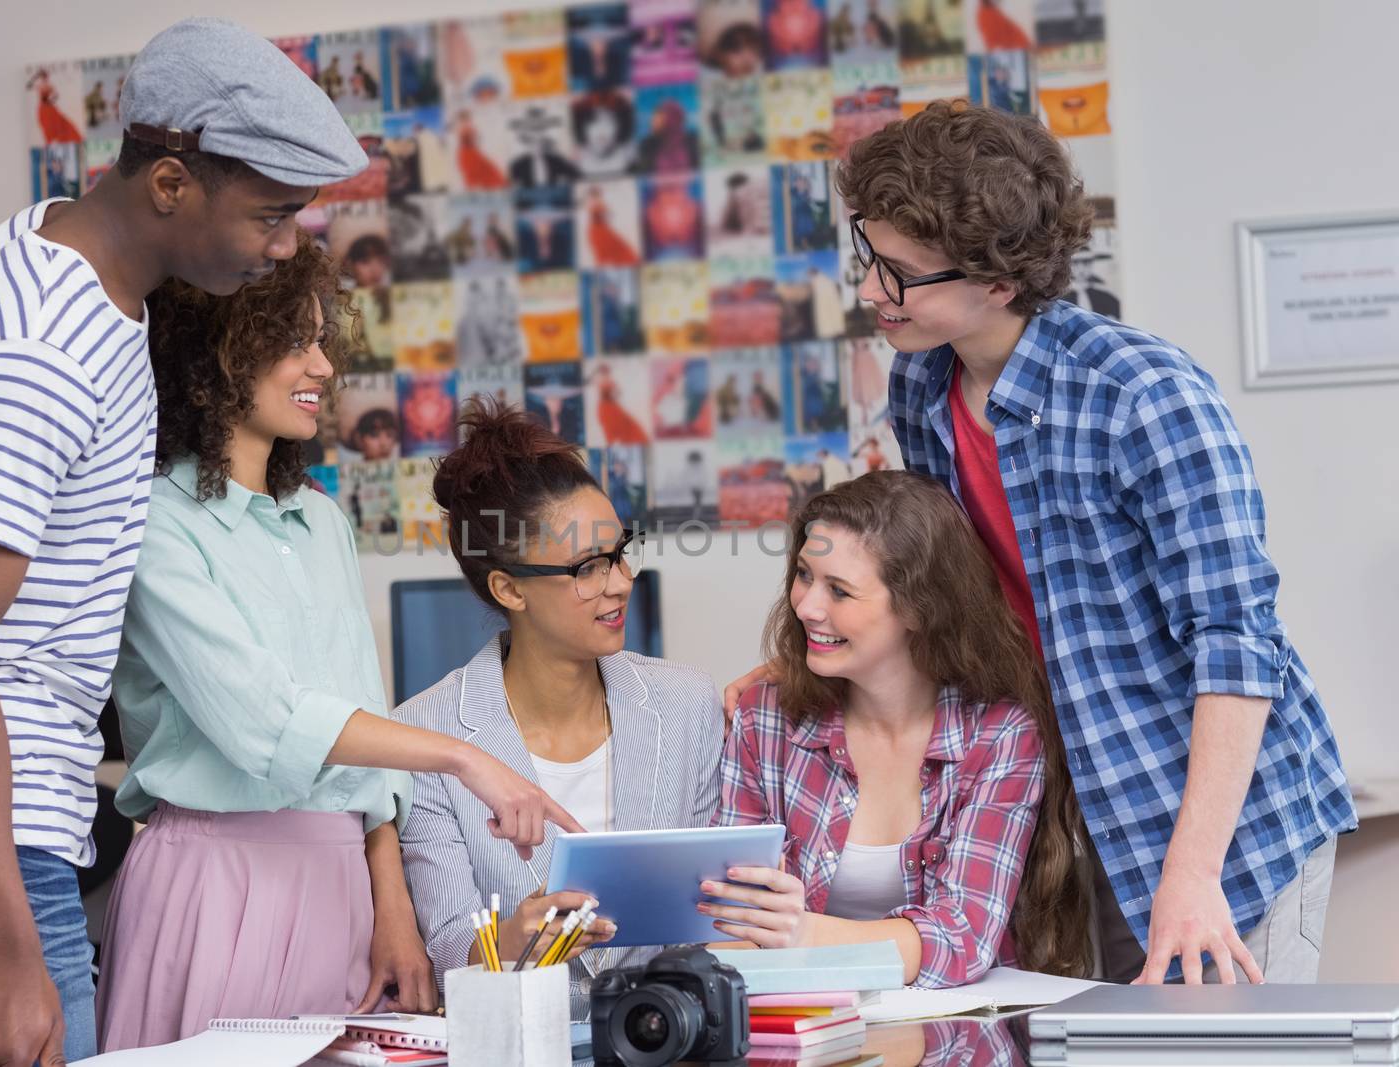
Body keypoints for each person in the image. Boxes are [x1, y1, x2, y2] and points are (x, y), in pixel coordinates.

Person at [0, 19, 372, 1067]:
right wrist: (12, 948)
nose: (285, 244)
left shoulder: (52, 247)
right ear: (169, 184)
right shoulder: (47, 344)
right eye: (271, 214)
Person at [732, 102, 1355, 985]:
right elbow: (946, 591)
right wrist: (804, 655)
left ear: (996, 280)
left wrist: (1193, 871)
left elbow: (1236, 642)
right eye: (870, 257)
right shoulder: (923, 383)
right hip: (1076, 791)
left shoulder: (1144, 396)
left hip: (1223, 826)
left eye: (901, 274)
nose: (872, 291)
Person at [96, 235, 579, 1049]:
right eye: (294, 340)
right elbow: (266, 721)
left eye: (324, 340)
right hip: (215, 884)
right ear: (215, 350)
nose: (322, 366)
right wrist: (466, 757)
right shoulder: (153, 523)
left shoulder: (322, 523)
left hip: (343, 890)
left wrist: (390, 904)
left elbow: (361, 739)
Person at [396, 401, 723, 1008]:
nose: (621, 581)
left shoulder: (685, 703)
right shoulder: (424, 735)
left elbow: (708, 910)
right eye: (587, 568)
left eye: (620, 552)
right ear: (509, 587)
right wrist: (507, 942)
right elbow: (442, 952)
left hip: (669, 1037)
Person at [706, 472, 1090, 987]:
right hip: (799, 1025)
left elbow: (963, 939)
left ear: (918, 607)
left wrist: (803, 934)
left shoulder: (1000, 733)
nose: (806, 607)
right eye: (803, 575)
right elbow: (729, 923)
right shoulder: (764, 718)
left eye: (839, 591)